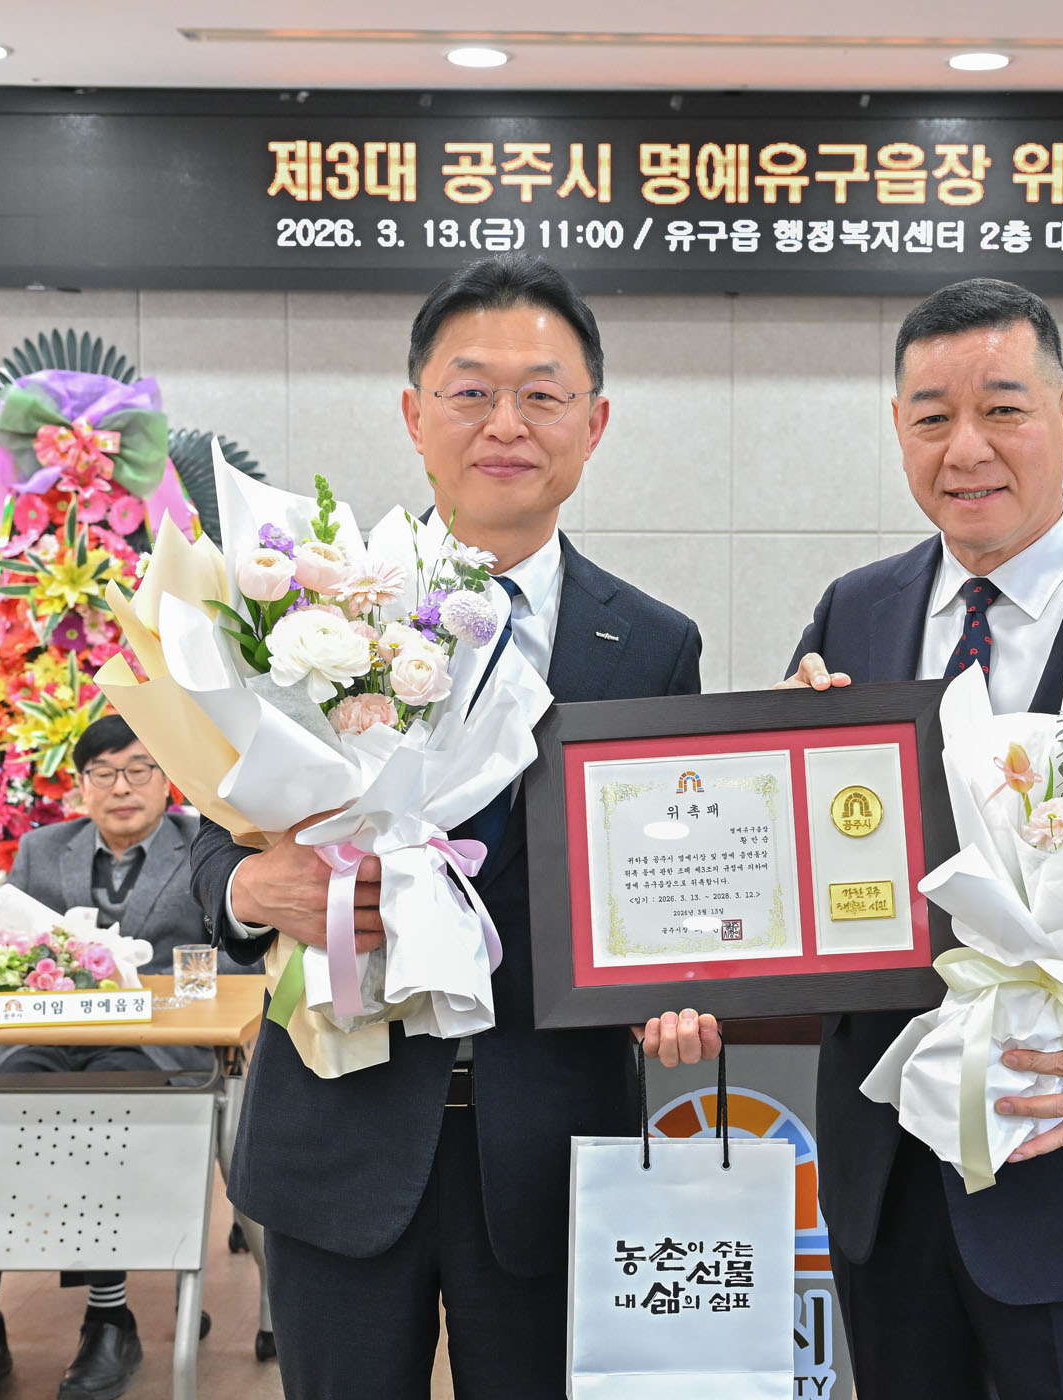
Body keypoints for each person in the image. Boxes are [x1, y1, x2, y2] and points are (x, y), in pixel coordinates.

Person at [652, 278, 1063, 1398]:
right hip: (890, 1184)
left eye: (1003, 409)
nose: (965, 448)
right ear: (898, 430)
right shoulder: (855, 612)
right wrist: (737, 881)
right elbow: (804, 873)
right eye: (932, 417)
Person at [190, 253, 705, 1400]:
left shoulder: (654, 645)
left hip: (548, 1147)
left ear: (594, 423)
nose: (505, 423)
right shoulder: (305, 601)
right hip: (337, 1132)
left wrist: (687, 976)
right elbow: (205, 835)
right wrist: (246, 889)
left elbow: (668, 874)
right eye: (471, 391)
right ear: (413, 414)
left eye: (543, 394)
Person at [0, 714, 238, 1400]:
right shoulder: (43, 850)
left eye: (137, 770)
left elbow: (233, 959)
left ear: (167, 781)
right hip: (47, 1037)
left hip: (155, 1044)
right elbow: (8, 955)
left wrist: (133, 979)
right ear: (80, 786)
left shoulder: (204, 848)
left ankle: (109, 1317)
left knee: (103, 1108)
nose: (120, 787)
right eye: (103, 773)